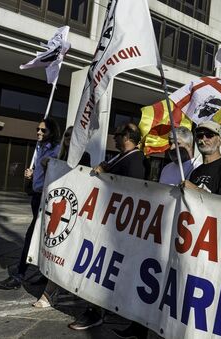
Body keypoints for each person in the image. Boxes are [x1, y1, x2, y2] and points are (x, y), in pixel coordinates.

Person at [69, 122, 146, 332]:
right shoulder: (120, 157)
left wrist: (105, 173)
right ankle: (98, 308)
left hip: (118, 228)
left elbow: (132, 192)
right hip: (108, 222)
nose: (113, 137)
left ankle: (96, 312)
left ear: (128, 136)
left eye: (118, 134)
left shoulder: (136, 160)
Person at [0, 118, 60, 290]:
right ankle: (44, 275)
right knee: (38, 238)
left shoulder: (56, 150)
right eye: (37, 129)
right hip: (36, 196)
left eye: (43, 130)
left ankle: (19, 275)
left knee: (33, 237)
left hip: (47, 201)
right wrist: (32, 174)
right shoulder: (39, 148)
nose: (38, 132)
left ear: (51, 132)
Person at [33, 126, 91, 308]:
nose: (68, 138)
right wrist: (48, 164)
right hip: (56, 206)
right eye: (66, 135)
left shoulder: (85, 156)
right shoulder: (59, 156)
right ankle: (51, 283)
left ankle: (50, 292)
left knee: (64, 249)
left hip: (72, 210)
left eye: (72, 136)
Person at [183, 121, 221, 199]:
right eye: (200, 135)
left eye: (209, 135)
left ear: (219, 141)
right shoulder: (195, 172)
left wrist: (195, 189)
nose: (204, 139)